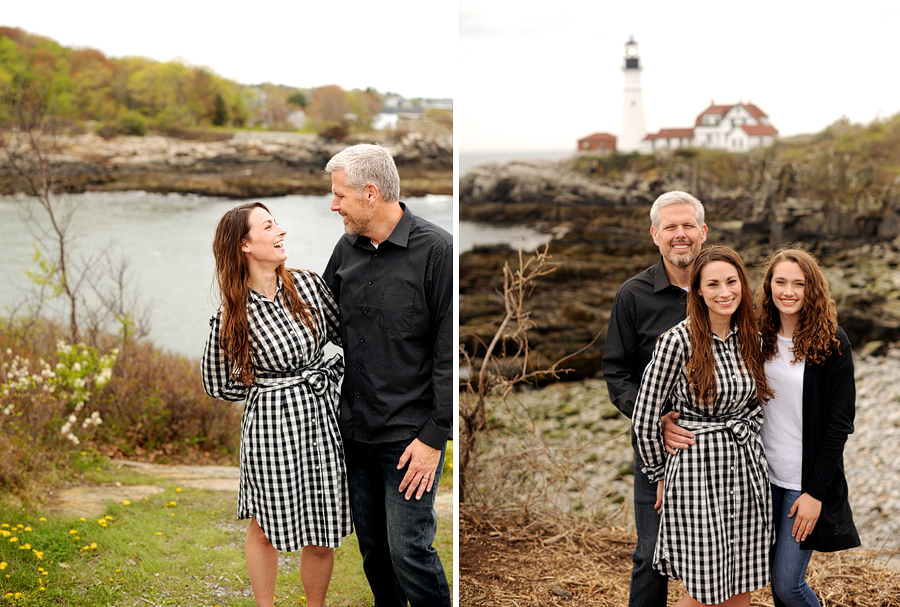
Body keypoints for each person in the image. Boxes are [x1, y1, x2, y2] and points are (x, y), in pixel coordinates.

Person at [664, 247, 860, 606]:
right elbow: (713, 387)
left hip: (801, 486)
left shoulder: (832, 342)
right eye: (780, 282)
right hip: (753, 479)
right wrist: (669, 420)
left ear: (811, 289)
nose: (788, 291)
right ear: (767, 286)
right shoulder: (754, 336)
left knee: (788, 585)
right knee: (739, 579)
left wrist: (816, 493)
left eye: (798, 283)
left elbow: (839, 424)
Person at [201, 202, 350, 607]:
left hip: (321, 418)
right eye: (269, 226)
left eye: (277, 223)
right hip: (271, 425)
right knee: (265, 526)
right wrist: (258, 382)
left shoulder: (308, 287)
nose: (280, 231)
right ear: (244, 245)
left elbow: (346, 336)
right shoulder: (232, 316)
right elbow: (217, 384)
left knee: (323, 528)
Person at [323, 143, 452, 606]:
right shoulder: (346, 248)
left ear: (370, 193)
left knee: (409, 552)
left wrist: (434, 438)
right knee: (375, 553)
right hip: (354, 432)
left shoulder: (438, 251)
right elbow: (318, 319)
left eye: (339, 195)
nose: (333, 204)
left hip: (409, 438)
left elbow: (447, 354)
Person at [633, 245, 774, 606]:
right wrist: (659, 472)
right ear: (698, 290)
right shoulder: (677, 341)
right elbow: (645, 415)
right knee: (706, 591)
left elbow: (756, 407)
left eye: (731, 282)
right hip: (697, 474)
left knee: (742, 583)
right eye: (713, 284)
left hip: (744, 471)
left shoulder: (751, 339)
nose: (724, 292)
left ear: (743, 284)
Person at [602, 190, 708, 606]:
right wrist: (657, 417)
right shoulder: (633, 295)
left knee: (717, 555)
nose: (679, 235)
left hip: (721, 445)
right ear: (654, 234)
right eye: (670, 227)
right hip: (657, 446)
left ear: (703, 231)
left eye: (687, 226)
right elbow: (617, 373)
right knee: (650, 555)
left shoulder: (723, 287)